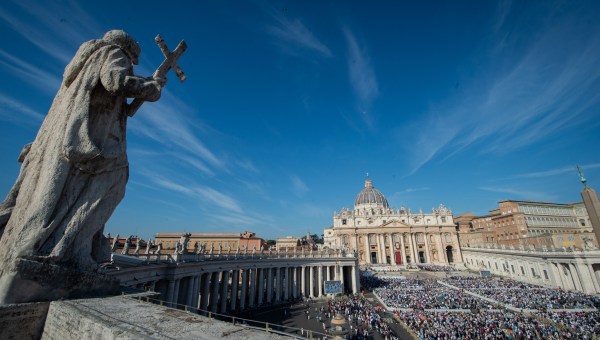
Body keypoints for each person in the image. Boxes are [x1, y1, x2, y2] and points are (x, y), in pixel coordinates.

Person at [0, 30, 164, 299]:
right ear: (128, 50)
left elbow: (122, 105)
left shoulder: (84, 64)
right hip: (95, 144)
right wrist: (152, 88)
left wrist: (148, 84)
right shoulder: (113, 53)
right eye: (134, 59)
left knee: (56, 197)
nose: (132, 63)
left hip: (70, 141)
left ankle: (55, 249)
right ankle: (67, 252)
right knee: (114, 184)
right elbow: (116, 82)